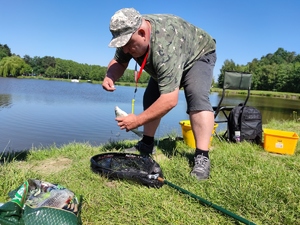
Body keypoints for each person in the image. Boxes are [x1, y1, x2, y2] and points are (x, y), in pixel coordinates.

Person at [102, 8, 216, 180]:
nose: (125, 50)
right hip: (169, 59)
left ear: (142, 33)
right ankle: (146, 145)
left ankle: (202, 157)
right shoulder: (129, 38)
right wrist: (110, 75)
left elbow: (169, 100)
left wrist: (137, 121)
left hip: (198, 54)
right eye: (121, 45)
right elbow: (119, 61)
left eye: (128, 44)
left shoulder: (165, 45)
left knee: (196, 97)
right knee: (150, 97)